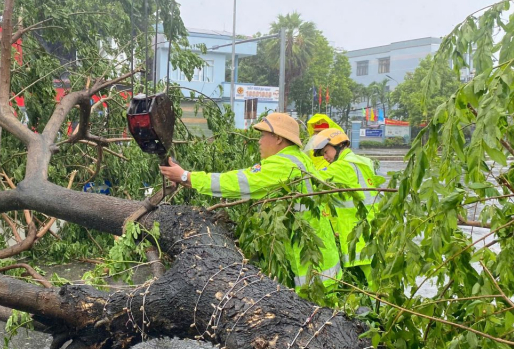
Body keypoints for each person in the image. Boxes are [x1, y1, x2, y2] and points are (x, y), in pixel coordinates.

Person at [160, 111, 342, 294]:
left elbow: (239, 181)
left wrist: (187, 177)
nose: (259, 141)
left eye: (263, 135)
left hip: (312, 268)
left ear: (279, 138)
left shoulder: (284, 165)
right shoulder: (299, 159)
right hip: (322, 258)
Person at [304, 128, 385, 284]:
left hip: (358, 236)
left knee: (375, 287)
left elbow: (313, 178)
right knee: (377, 282)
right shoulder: (361, 162)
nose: (325, 157)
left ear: (339, 145)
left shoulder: (344, 167)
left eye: (326, 152)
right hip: (371, 229)